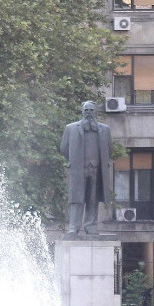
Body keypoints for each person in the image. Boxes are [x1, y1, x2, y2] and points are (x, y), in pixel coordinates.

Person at [59, 100, 113, 236]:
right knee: (76, 199)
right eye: (86, 110)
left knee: (93, 199)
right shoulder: (71, 128)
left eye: (91, 110)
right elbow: (64, 148)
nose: (89, 113)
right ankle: (73, 227)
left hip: (96, 169)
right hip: (79, 169)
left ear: (95, 112)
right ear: (82, 111)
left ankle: (90, 226)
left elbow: (109, 149)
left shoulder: (104, 129)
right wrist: (74, 161)